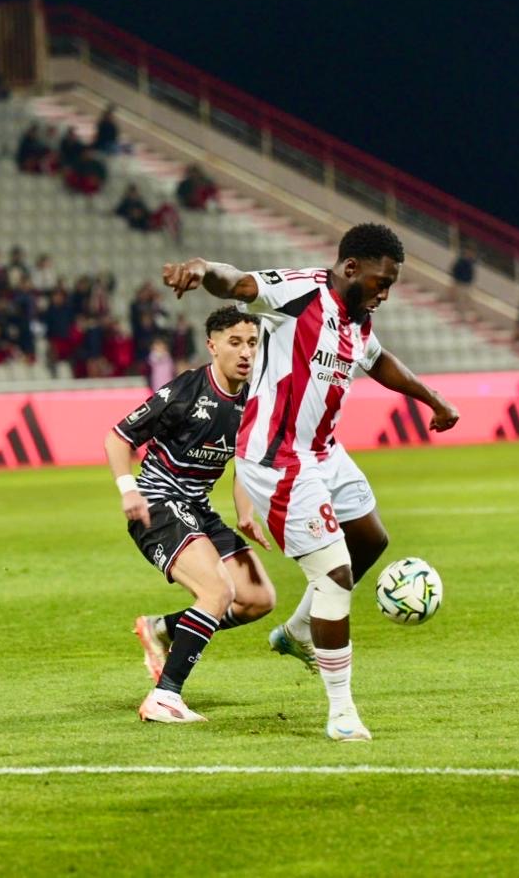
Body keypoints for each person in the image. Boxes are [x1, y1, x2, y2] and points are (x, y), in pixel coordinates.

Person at [162, 223, 461, 741]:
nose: (385, 292)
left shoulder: (358, 319)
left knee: (370, 538)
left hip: (324, 452)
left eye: (391, 283)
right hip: (278, 460)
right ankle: (341, 712)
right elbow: (238, 284)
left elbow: (378, 361)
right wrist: (203, 268)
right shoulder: (302, 292)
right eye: (380, 280)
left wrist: (431, 399)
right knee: (335, 574)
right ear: (350, 268)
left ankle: (299, 630)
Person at [107, 308, 276, 723]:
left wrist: (245, 513)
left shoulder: (255, 400)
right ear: (212, 345)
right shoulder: (186, 391)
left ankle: (161, 628)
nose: (245, 352)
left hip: (199, 507)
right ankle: (165, 697)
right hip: (157, 503)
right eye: (235, 342)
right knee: (217, 593)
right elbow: (119, 437)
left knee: (258, 599)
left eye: (252, 343)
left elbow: (245, 462)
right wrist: (128, 489)